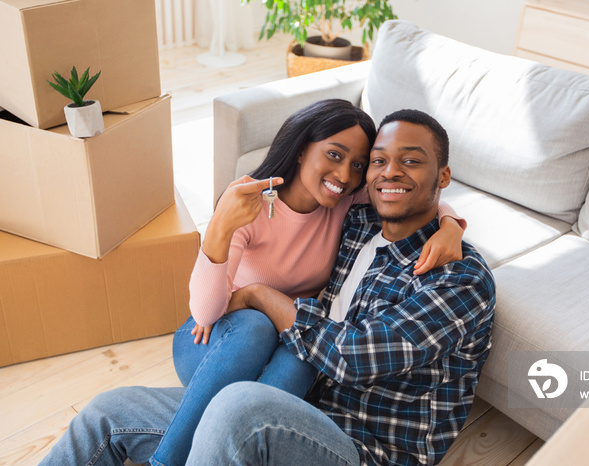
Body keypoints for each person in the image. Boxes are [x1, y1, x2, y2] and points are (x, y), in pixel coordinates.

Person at [39, 108, 494, 466]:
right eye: (377, 163)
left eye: (410, 161)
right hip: (293, 392)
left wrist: (260, 295)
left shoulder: (461, 278)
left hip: (363, 447)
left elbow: (355, 357)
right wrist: (447, 219)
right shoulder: (358, 220)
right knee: (108, 412)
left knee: (240, 405)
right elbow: (399, 197)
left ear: (443, 176)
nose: (388, 173)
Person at [151, 100, 467, 465]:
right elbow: (206, 311)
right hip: (217, 340)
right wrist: (221, 226)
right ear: (302, 150)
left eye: (358, 165)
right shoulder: (249, 206)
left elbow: (403, 193)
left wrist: (449, 225)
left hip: (290, 338)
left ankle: (237, 445)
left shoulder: (345, 202)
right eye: (334, 155)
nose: (345, 175)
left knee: (305, 358)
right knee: (256, 326)